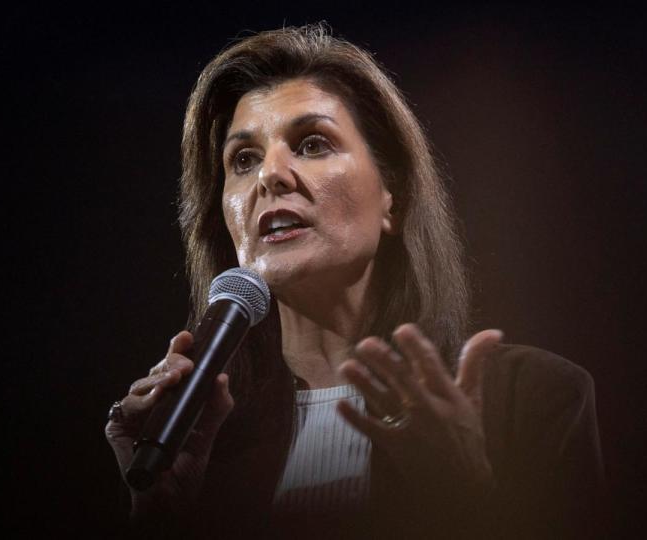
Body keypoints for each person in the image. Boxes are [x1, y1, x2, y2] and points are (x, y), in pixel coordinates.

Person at [105, 23, 603, 539]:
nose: (270, 176)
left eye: (313, 144)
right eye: (244, 159)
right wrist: (161, 517)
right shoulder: (198, 440)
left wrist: (464, 494)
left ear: (393, 194)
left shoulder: (535, 400)